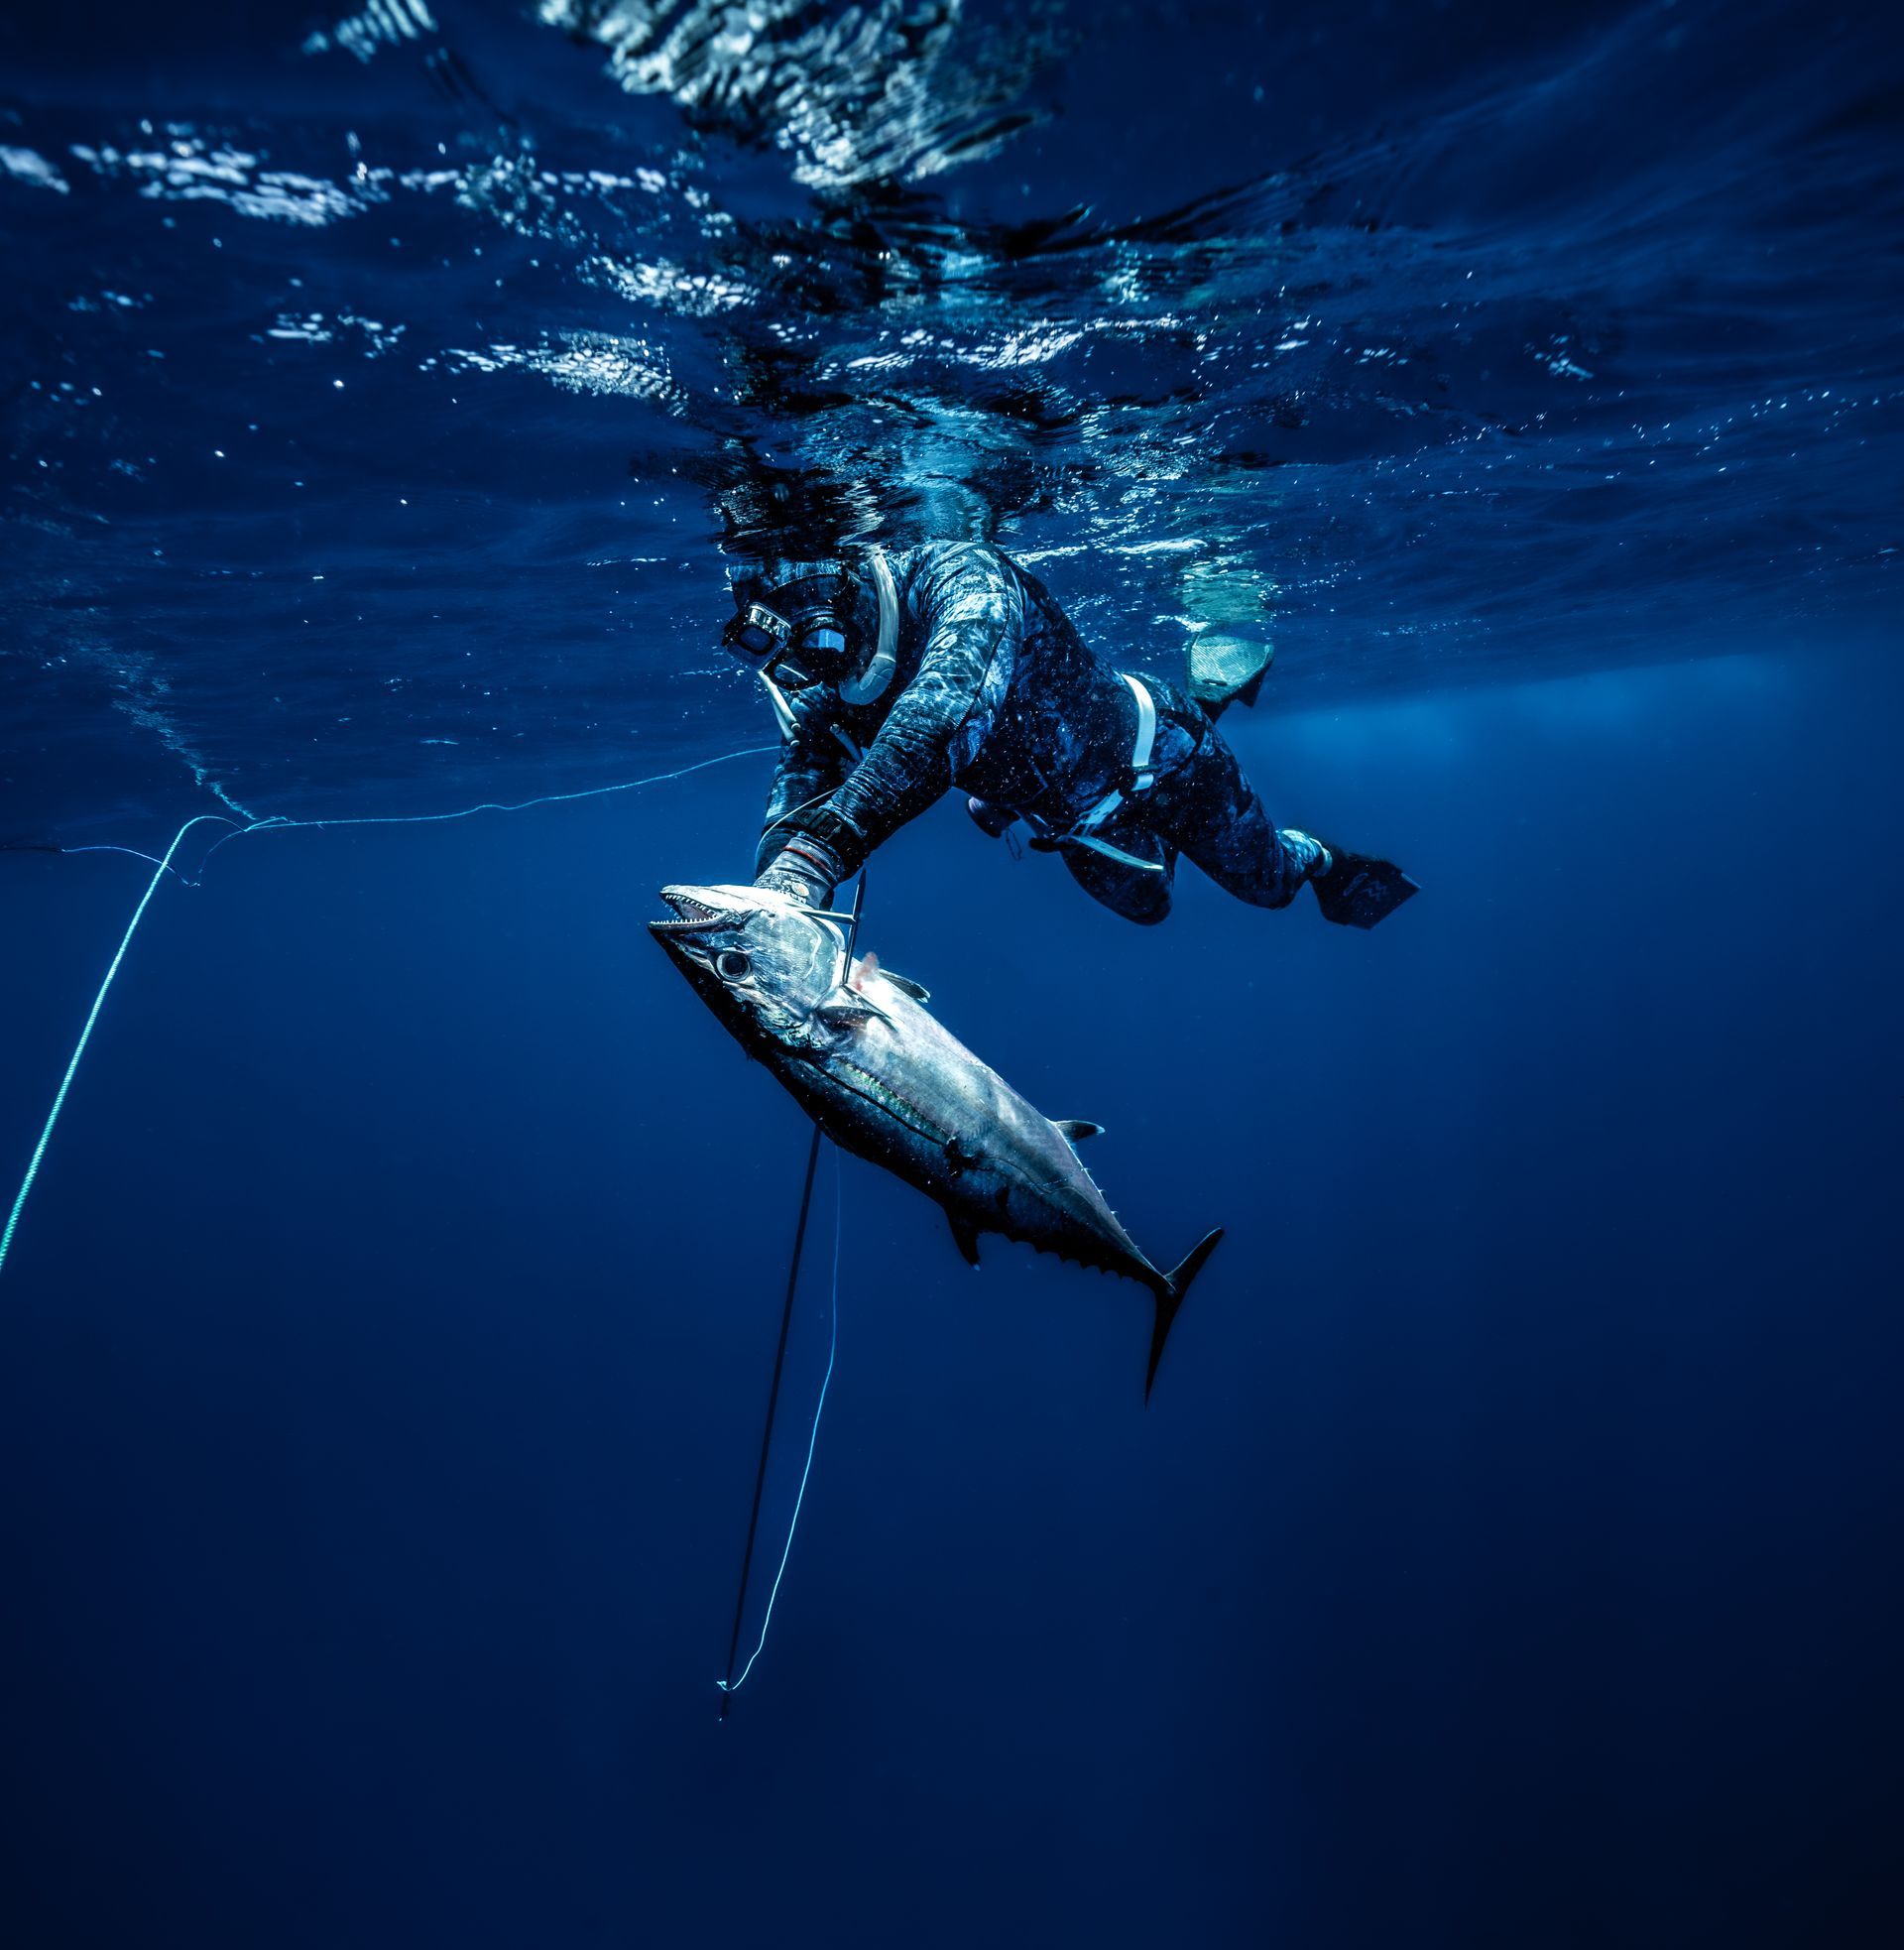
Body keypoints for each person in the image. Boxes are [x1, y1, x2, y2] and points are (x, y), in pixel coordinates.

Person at [723, 542, 1415, 928]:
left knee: (1268, 887)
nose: (798, 666)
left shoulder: (961, 577)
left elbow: (948, 712)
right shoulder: (827, 686)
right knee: (1150, 908)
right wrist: (769, 911)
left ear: (832, 590)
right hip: (1070, 816)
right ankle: (1179, 761)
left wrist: (811, 864)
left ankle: (1317, 853)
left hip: (1164, 756)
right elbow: (798, 791)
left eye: (796, 630)